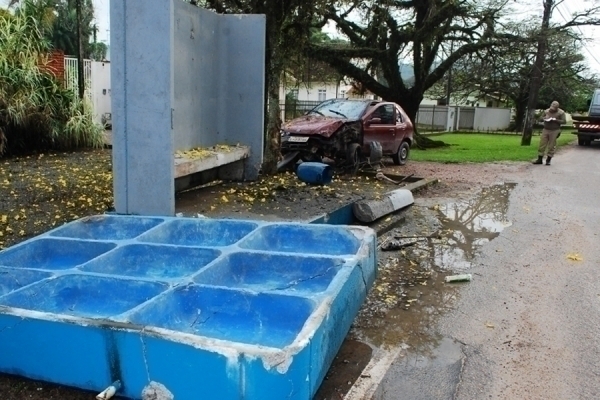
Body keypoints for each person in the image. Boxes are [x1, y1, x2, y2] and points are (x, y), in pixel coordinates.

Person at [533, 101, 566, 165]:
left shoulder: (561, 113)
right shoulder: (546, 111)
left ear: (557, 108)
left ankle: (548, 159)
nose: (552, 110)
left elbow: (564, 121)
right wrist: (544, 118)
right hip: (546, 129)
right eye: (551, 108)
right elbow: (540, 119)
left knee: (551, 145)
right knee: (542, 144)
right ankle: (539, 159)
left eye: (554, 109)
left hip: (555, 130)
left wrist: (555, 120)